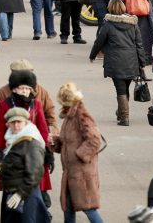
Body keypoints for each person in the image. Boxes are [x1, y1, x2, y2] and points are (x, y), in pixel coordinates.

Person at [0, 70, 53, 207]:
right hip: (12, 151)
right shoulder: (5, 105)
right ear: (14, 88)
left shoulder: (36, 104)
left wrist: (48, 151)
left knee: (34, 180)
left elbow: (42, 128)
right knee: (12, 183)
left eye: (27, 88)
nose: (25, 91)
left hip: (33, 149)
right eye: (21, 88)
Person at [90, 0, 148, 126]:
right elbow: (139, 44)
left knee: (120, 89)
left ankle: (124, 117)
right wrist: (142, 62)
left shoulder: (108, 24)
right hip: (131, 61)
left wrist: (92, 55)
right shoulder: (133, 23)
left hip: (115, 61)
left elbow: (99, 42)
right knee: (125, 87)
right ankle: (121, 111)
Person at [53, 83, 103, 223]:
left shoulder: (81, 115)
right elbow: (68, 141)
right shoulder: (71, 115)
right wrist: (55, 143)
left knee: (88, 207)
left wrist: (78, 155)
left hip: (81, 173)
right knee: (68, 208)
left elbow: (94, 140)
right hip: (71, 173)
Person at [0, 107, 51, 223]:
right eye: (13, 122)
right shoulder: (13, 139)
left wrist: (20, 194)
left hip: (26, 195)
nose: (16, 125)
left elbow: (35, 173)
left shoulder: (31, 142)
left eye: (19, 122)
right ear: (8, 124)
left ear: (26, 123)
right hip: (12, 193)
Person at [0, 60, 58, 137]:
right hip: (11, 138)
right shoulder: (2, 93)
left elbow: (50, 117)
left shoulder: (42, 92)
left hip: (35, 140)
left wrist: (51, 136)